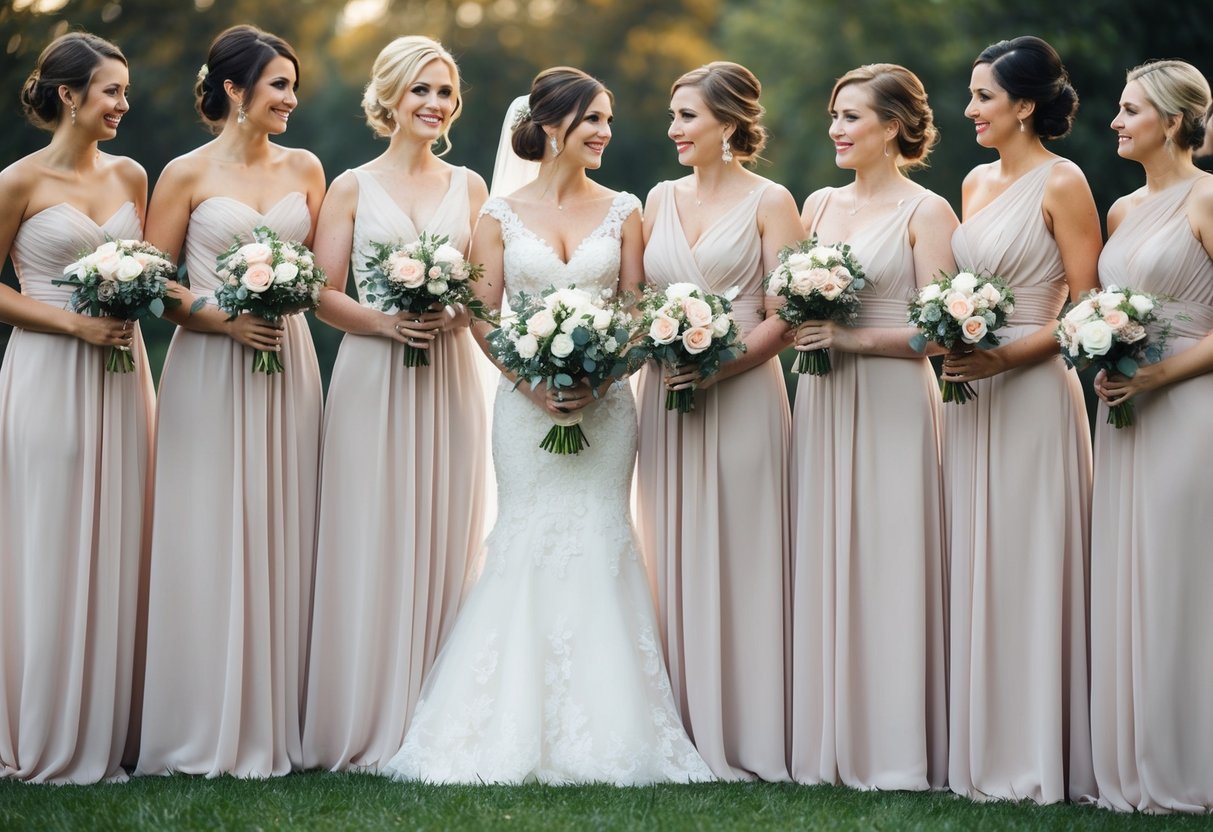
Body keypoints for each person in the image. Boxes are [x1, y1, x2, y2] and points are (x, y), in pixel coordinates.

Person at [380, 67, 712, 785]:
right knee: (527, 540)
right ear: (554, 124)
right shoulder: (497, 215)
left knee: (599, 535)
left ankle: (614, 728)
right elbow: (482, 313)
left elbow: (632, 308)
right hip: (521, 408)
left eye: (608, 121)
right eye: (593, 119)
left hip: (607, 406)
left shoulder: (625, 209)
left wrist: (600, 377)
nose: (604, 133)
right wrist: (531, 384)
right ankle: (501, 723)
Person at [136, 25, 326, 778]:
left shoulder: (308, 167)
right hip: (210, 369)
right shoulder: (182, 173)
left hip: (288, 364)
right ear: (235, 90)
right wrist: (223, 315)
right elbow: (152, 283)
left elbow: (321, 273)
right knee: (207, 530)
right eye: (279, 84)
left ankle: (277, 718)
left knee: (285, 525)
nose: (291, 98)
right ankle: (197, 720)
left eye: (293, 84)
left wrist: (287, 298)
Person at [302, 36, 489, 772]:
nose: (434, 104)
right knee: (370, 529)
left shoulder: (470, 187)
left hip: (447, 375)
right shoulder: (351, 186)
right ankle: (364, 710)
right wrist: (386, 323)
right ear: (390, 97)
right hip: (371, 377)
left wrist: (452, 315)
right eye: (420, 90)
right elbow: (319, 291)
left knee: (444, 528)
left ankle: (433, 714)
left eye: (443, 92)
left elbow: (481, 287)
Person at [941, 35, 1101, 804]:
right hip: (972, 398)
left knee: (1031, 561)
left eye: (982, 97)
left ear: (1024, 105)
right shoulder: (973, 183)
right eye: (970, 95)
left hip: (1031, 390)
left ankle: (1042, 750)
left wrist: (1006, 360)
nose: (968, 110)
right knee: (980, 560)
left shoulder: (1062, 182)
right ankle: (985, 747)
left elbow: (1089, 306)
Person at [635, 61, 801, 781]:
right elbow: (638, 298)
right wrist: (662, 348)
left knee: (744, 550)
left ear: (728, 123)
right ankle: (676, 722)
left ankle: (749, 729)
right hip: (664, 397)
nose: (673, 129)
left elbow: (788, 313)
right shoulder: (657, 197)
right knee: (668, 550)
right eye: (672, 115)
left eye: (687, 117)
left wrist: (717, 365)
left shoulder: (771, 200)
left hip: (739, 392)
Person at [789, 63, 954, 791]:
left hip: (890, 398)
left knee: (891, 559)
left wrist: (850, 341)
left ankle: (895, 747)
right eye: (833, 114)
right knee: (823, 553)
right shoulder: (817, 204)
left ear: (892, 127)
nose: (836, 129)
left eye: (851, 116)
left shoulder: (927, 212)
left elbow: (940, 331)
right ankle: (826, 738)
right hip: (824, 401)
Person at [0, 31, 150, 785]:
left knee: (118, 539)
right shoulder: (17, 181)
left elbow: (146, 267)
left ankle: (106, 728)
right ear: (69, 95)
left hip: (124, 376)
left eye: (123, 91)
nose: (124, 104)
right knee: (49, 539)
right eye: (112, 91)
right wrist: (72, 323)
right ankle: (39, 726)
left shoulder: (131, 176)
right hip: (51, 369)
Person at [1090, 60, 1213, 813]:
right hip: (1122, 414)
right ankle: (1133, 766)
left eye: (1130, 109)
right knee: (1129, 580)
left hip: (1188, 409)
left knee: (1179, 581)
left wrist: (1157, 380)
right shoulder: (1121, 210)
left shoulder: (1207, 198)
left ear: (1171, 121)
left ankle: (1187, 765)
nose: (1115, 120)